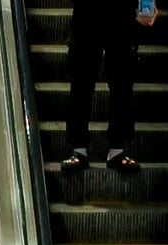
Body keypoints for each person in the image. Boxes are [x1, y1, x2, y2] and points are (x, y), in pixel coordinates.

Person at [60, 0, 158, 175]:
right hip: (86, 12)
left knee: (122, 83)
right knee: (81, 81)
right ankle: (79, 148)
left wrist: (147, 5)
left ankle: (117, 149)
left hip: (122, 13)